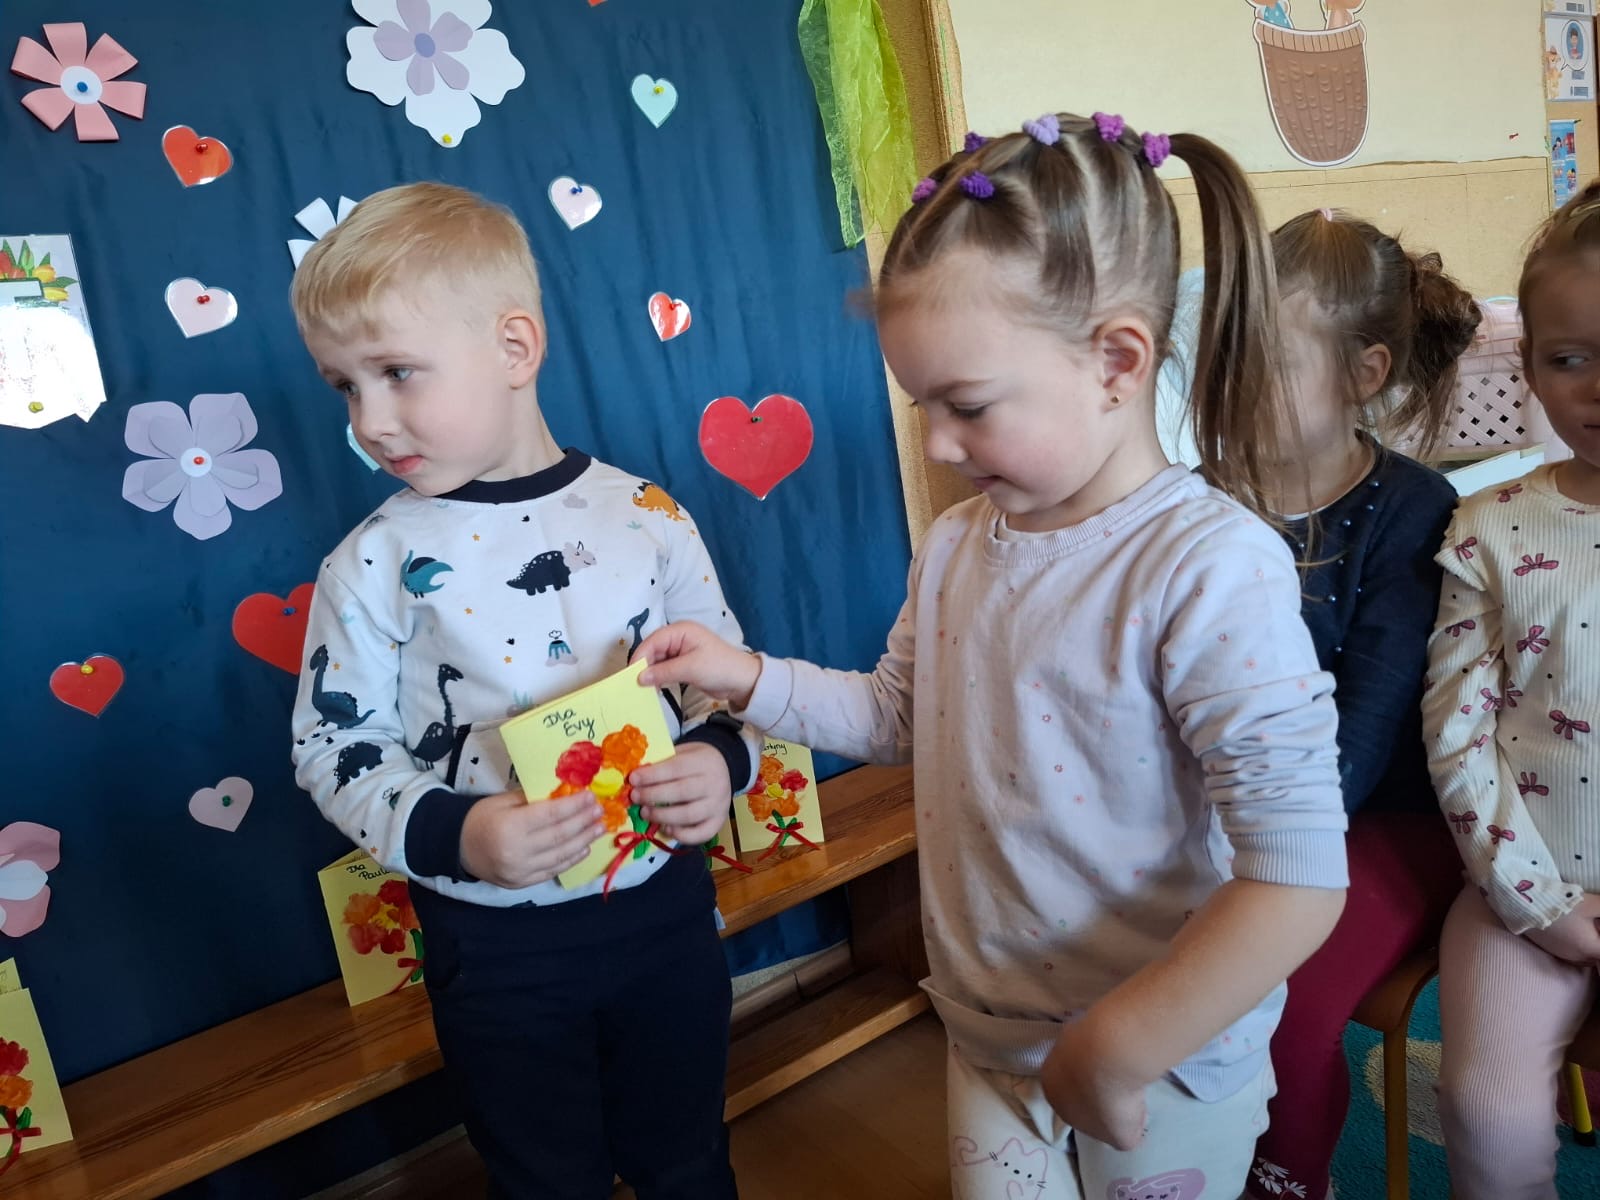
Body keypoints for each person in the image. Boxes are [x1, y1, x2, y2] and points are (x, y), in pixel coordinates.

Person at [637, 112, 1349, 1197]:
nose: (933, 442)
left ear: (1116, 362)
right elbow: (896, 716)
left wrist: (1120, 1043)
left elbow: (1296, 875)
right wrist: (749, 677)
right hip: (987, 1028)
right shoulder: (958, 543)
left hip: (1161, 1060)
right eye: (921, 404)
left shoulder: (1207, 567)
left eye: (965, 405)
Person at [288, 182, 756, 1200]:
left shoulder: (648, 515)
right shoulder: (368, 564)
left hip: (663, 912)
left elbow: (723, 686)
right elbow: (333, 748)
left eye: (395, 373)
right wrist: (457, 834)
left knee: (686, 1160)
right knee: (545, 1180)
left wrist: (721, 765)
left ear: (513, 348)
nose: (369, 420)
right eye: (344, 387)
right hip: (495, 943)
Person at [1242, 209, 1481, 1200]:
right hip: (1236, 817)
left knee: (1279, 1008)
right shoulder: (1205, 497)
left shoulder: (1413, 509)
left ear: (1365, 374)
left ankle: (1289, 1182)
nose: (1236, 380)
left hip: (1381, 821)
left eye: (1270, 361)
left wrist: (1249, 845)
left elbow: (1368, 727)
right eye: (1229, 350)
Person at [1425, 180, 1600, 1198]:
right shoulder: (1487, 525)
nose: (1597, 388)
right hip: (1520, 890)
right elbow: (1457, 731)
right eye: (1570, 359)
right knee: (1485, 1118)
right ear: (1529, 366)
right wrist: (1535, 903)